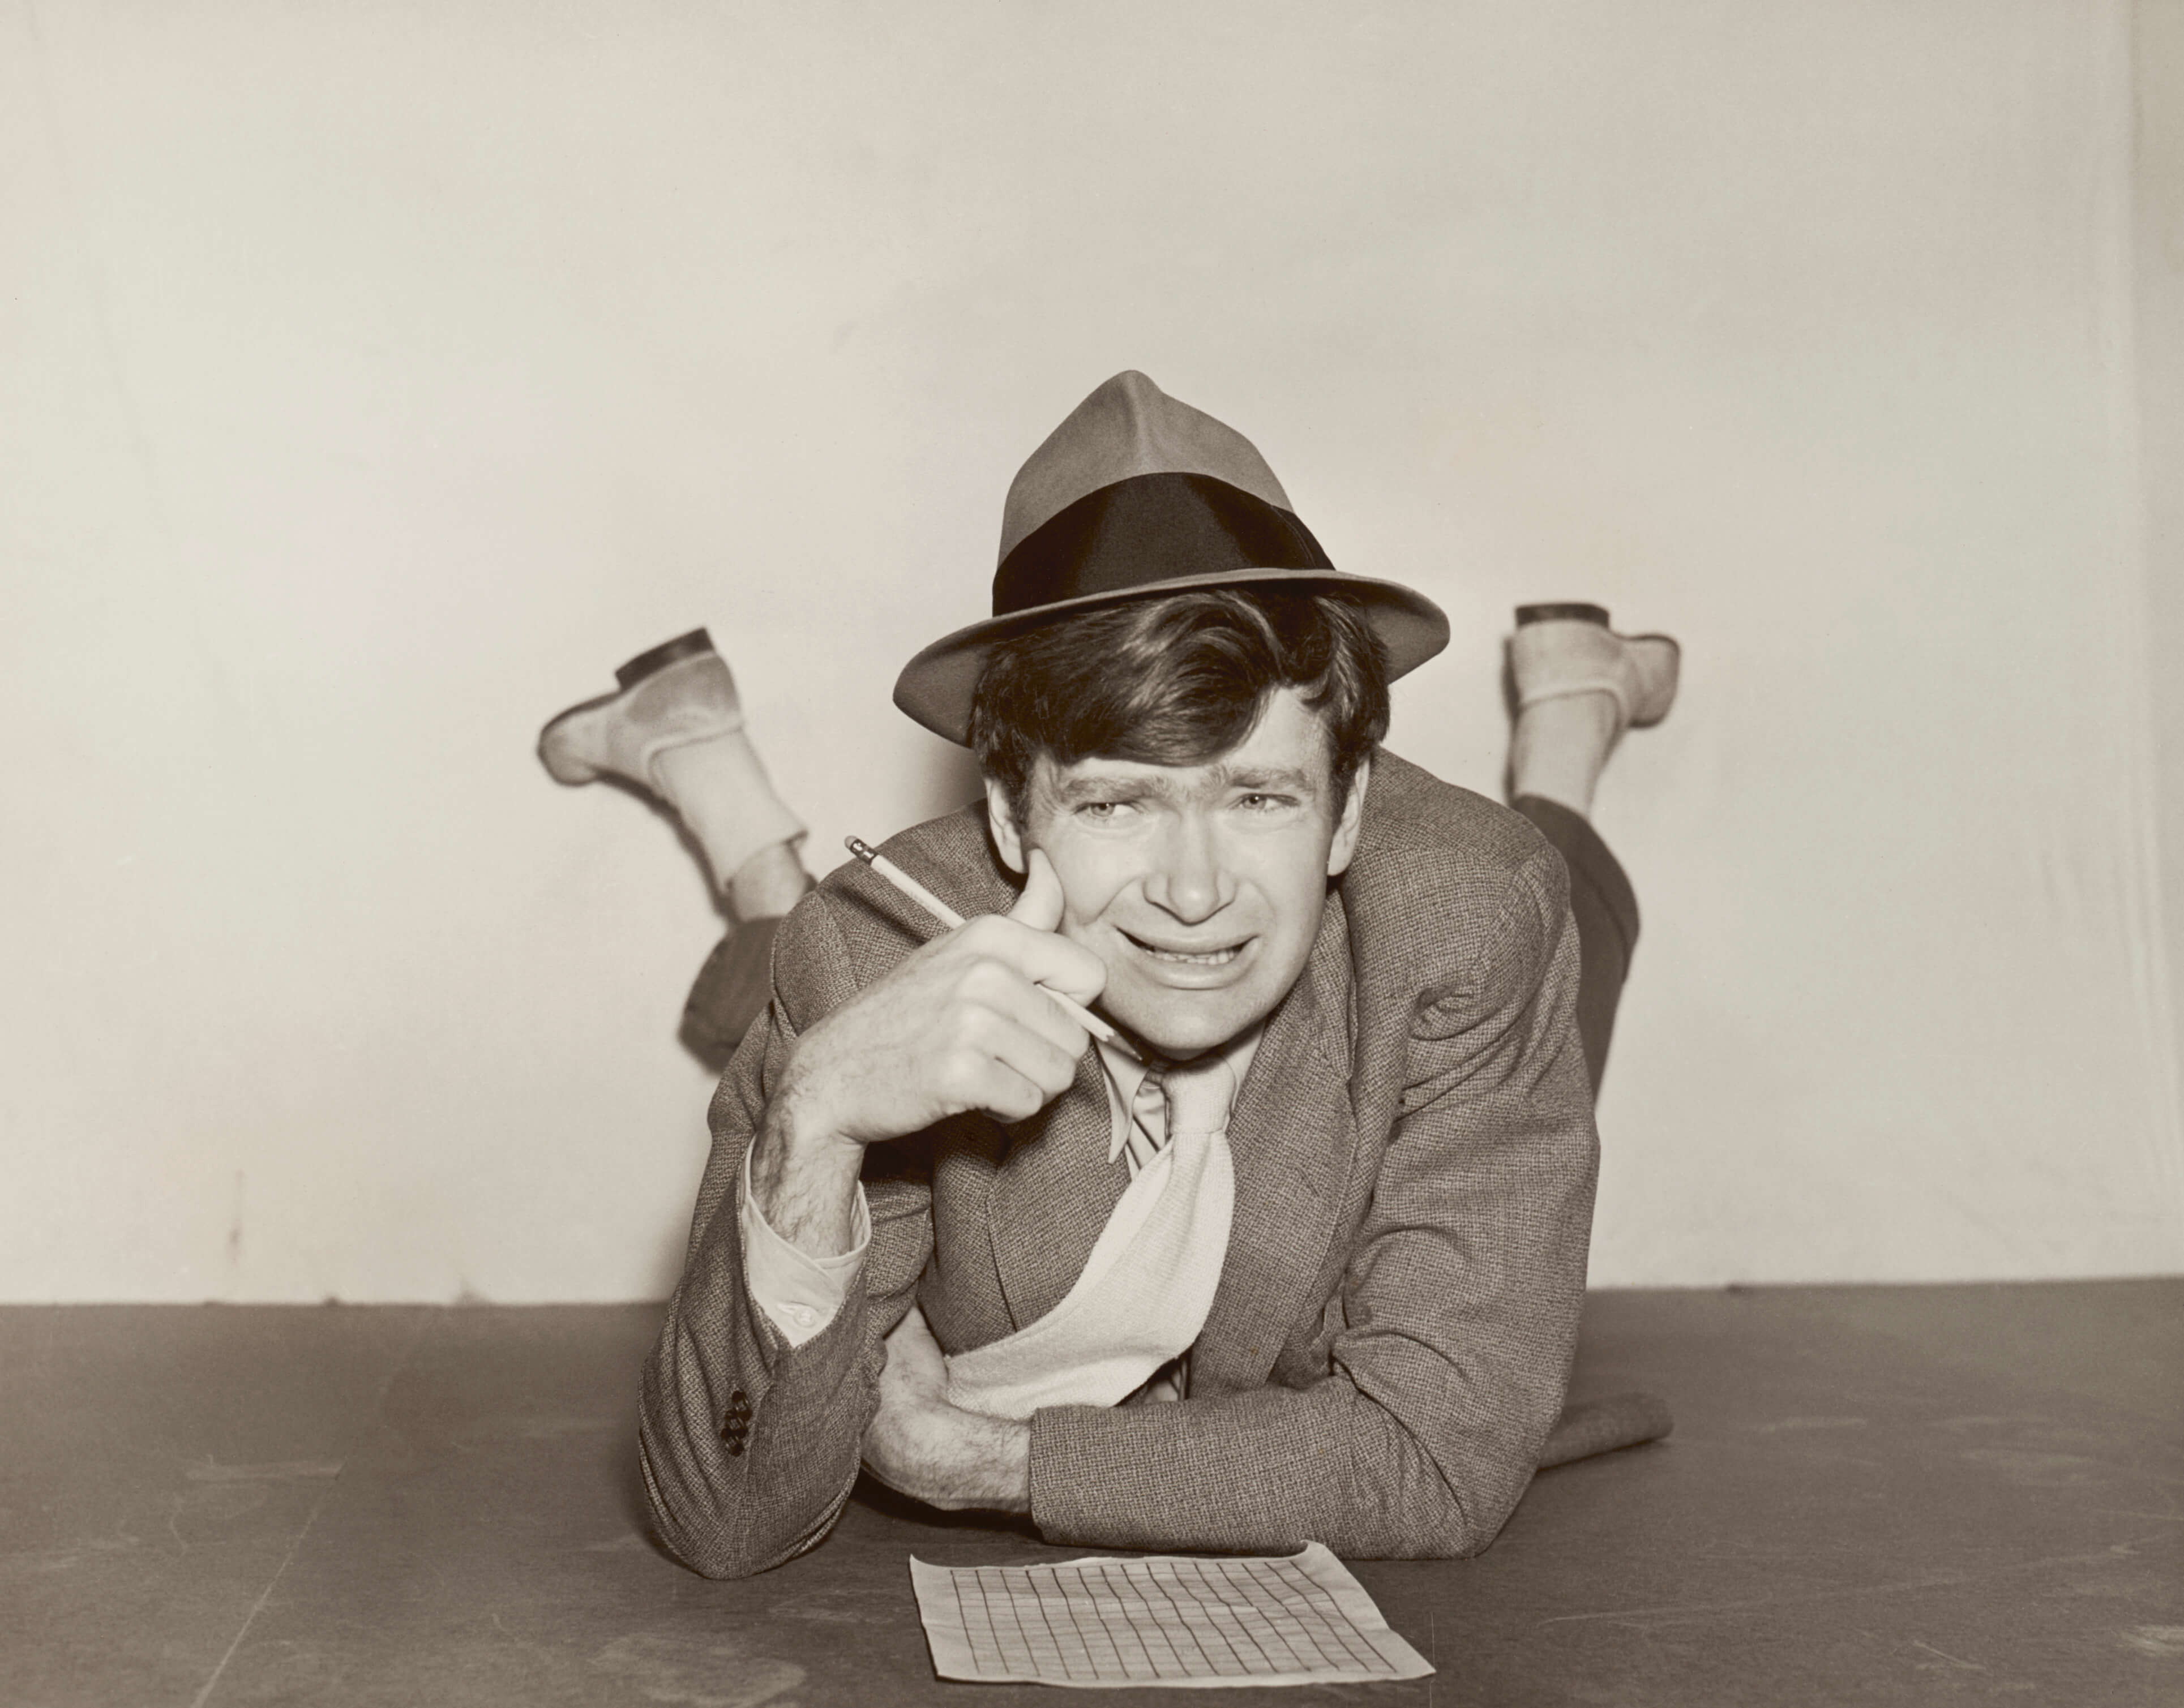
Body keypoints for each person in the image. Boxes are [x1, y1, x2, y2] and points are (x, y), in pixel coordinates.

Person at [539, 372, 1677, 1579]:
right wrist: (813, 1117)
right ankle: (740, 828)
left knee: (1558, 916)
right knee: (809, 984)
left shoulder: (1462, 918)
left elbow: (1434, 1462)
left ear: (1346, 813)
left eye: (1259, 797)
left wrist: (982, 1460)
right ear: (1012, 821)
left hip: (1444, 930)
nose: (1194, 891)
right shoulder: (869, 945)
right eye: (1118, 800)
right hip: (896, 936)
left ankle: (1573, 717)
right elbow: (727, 1520)